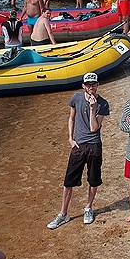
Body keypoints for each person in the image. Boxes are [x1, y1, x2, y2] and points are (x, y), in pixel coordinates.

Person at [49, 72, 109, 229]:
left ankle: (88, 208)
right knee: (68, 181)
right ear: (83, 86)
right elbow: (71, 118)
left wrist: (92, 109)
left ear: (97, 85)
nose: (91, 87)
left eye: (94, 84)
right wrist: (70, 138)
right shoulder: (76, 98)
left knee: (93, 179)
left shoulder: (103, 104)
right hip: (78, 145)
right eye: (88, 84)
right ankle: (63, 214)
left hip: (94, 145)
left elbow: (94, 128)